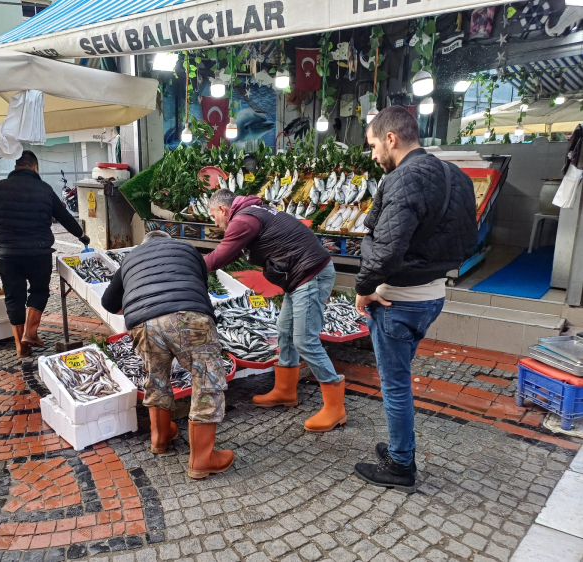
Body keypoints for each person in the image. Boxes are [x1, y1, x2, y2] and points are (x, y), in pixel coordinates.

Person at [353, 106, 477, 493]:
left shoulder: (403, 178)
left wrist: (364, 288)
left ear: (391, 139)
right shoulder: (456, 175)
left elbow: (385, 251)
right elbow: (468, 240)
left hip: (398, 301)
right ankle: (399, 445)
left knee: (395, 385)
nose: (374, 154)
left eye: (373, 145)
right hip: (433, 296)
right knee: (400, 379)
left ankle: (401, 464)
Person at [205, 190, 345, 433]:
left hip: (310, 275)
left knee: (305, 340)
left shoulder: (242, 220)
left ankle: (335, 408)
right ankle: (285, 391)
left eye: (213, 216)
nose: (215, 223)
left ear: (222, 210)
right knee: (284, 330)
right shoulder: (252, 214)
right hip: (300, 276)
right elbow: (232, 253)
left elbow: (220, 256)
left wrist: (187, 264)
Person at [101, 230, 234, 479]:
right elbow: (200, 286)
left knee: (156, 378)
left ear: (144, 244)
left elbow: (109, 303)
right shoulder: (187, 250)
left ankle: (160, 438)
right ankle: (203, 459)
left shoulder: (130, 258)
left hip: (142, 323)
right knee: (207, 380)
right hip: (189, 315)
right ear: (169, 242)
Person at [0, 150, 89, 358]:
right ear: (35, 167)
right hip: (38, 253)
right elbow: (64, 216)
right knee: (39, 291)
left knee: (14, 297)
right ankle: (30, 332)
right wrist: (81, 235)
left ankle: (21, 347)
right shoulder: (44, 189)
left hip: (8, 254)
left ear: (16, 167)